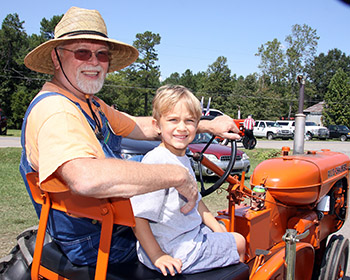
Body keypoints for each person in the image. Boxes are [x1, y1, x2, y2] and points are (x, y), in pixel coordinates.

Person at [20, 6, 240, 267]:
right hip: (98, 241)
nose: (94, 62)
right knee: (227, 243)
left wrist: (206, 125)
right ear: (57, 58)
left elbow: (141, 126)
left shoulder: (89, 105)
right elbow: (85, 178)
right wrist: (177, 175)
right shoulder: (57, 111)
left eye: (102, 55)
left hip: (102, 227)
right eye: (82, 52)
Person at [130, 85, 246, 276]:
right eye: (173, 120)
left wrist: (217, 228)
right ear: (157, 125)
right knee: (240, 241)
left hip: (183, 238)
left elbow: (196, 200)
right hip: (175, 251)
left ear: (197, 125)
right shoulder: (158, 161)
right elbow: (138, 217)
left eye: (189, 121)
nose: (182, 127)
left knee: (223, 229)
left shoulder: (181, 156)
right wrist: (158, 255)